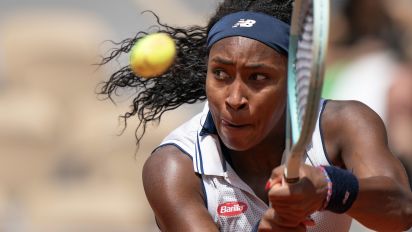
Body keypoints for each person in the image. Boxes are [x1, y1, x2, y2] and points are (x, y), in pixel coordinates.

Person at [99, 0, 412, 231]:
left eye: (258, 77)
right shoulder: (173, 167)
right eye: (220, 74)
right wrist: (271, 227)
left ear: (293, 79)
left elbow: (401, 211)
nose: (234, 99)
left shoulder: (345, 124)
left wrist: (327, 187)